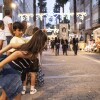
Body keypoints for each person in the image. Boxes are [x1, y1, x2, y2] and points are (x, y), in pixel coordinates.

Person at [0, 29, 47, 100]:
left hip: (9, 69)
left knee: (5, 95)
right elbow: (17, 54)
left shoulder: (26, 46)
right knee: (16, 96)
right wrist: (1, 64)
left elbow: (11, 45)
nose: (45, 44)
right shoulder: (31, 53)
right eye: (44, 42)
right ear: (40, 43)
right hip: (13, 73)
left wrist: (0, 52)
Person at [21, 26, 39, 95]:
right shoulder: (37, 40)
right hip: (34, 58)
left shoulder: (25, 38)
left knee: (25, 73)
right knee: (33, 74)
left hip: (25, 58)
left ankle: (23, 89)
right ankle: (32, 89)